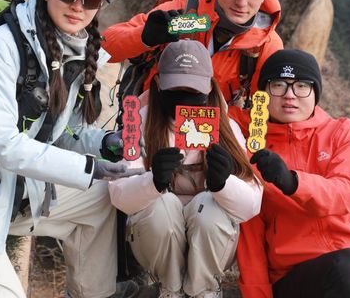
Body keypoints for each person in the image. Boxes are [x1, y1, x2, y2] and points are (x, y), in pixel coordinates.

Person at [0, 0, 142, 298]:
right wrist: (90, 168)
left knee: (100, 198)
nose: (78, 6)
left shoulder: (72, 51)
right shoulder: (1, 46)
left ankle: (93, 293)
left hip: (9, 187)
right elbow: (1, 144)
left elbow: (63, 133)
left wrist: (103, 144)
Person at [109, 39, 263, 298]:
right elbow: (118, 194)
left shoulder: (226, 129)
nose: (184, 97)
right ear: (159, 83)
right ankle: (169, 290)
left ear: (209, 86)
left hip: (210, 241)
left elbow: (252, 204)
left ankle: (204, 290)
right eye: (175, 88)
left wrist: (224, 184)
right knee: (162, 205)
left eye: (193, 90)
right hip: (156, 241)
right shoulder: (140, 124)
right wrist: (153, 182)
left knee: (209, 206)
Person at [232, 49, 350, 298]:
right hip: (294, 277)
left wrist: (292, 182)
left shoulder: (343, 133)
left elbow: (346, 193)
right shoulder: (251, 151)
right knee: (347, 267)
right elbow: (250, 236)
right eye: (278, 85)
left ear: (315, 93)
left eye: (301, 86)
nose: (290, 95)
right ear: (263, 94)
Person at [102, 0, 283, 107]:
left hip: (216, 128)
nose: (241, 3)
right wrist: (144, 37)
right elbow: (105, 48)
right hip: (155, 119)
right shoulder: (185, 13)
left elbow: (267, 110)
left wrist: (223, 118)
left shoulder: (265, 43)